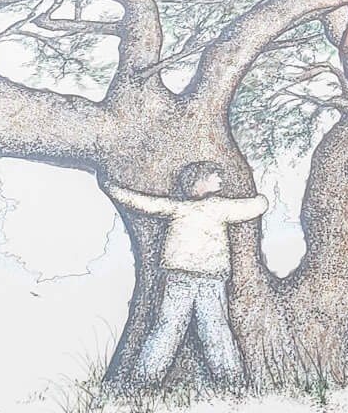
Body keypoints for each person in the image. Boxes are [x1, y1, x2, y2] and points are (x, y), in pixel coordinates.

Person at [106, 163, 267, 388]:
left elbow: (147, 204)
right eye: (214, 177)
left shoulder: (196, 207)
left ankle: (146, 381)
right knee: (200, 329)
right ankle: (229, 382)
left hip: (202, 279)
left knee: (190, 329)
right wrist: (115, 190)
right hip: (192, 278)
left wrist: (114, 190)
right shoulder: (209, 208)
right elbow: (146, 203)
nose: (220, 180)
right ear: (199, 182)